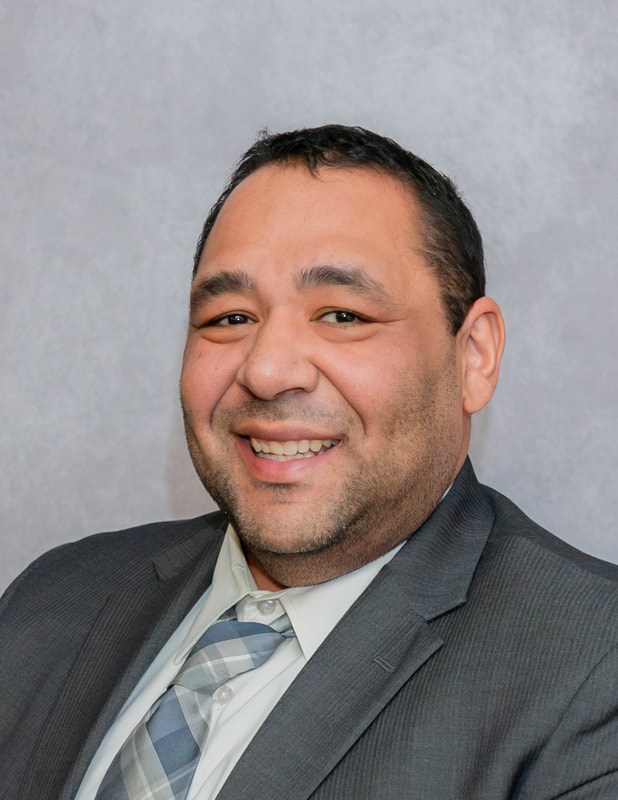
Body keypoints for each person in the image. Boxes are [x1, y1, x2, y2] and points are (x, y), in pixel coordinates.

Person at [1, 125, 616, 800]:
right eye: (230, 318)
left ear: (474, 356)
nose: (265, 370)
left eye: (342, 314)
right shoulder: (52, 599)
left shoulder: (593, 667)